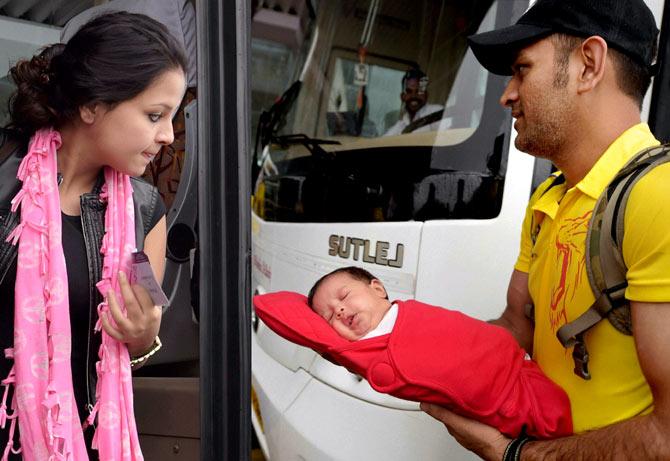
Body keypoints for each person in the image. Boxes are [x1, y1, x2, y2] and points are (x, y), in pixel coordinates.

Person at [419, 1, 670, 460]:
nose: (507, 94)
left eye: (522, 69)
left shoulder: (659, 199)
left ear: (588, 66)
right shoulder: (550, 197)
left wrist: (517, 455)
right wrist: (402, 340)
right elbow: (520, 324)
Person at [0, 11, 186, 460]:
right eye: (154, 115)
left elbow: (136, 343)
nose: (167, 136)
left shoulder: (145, 213)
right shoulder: (5, 182)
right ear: (91, 105)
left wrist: (143, 336)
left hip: (86, 443)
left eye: (172, 119)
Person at [254, 266, 573, 439]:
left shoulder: (409, 313)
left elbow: (461, 333)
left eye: (344, 295)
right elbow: (281, 313)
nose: (338, 309)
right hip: (511, 397)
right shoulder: (365, 351)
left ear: (378, 289)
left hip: (517, 364)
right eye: (327, 317)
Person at [383, 67, 443, 136]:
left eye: (418, 91)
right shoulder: (402, 124)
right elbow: (381, 143)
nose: (414, 96)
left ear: (426, 95)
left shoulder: (436, 113)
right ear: (402, 97)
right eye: (409, 92)